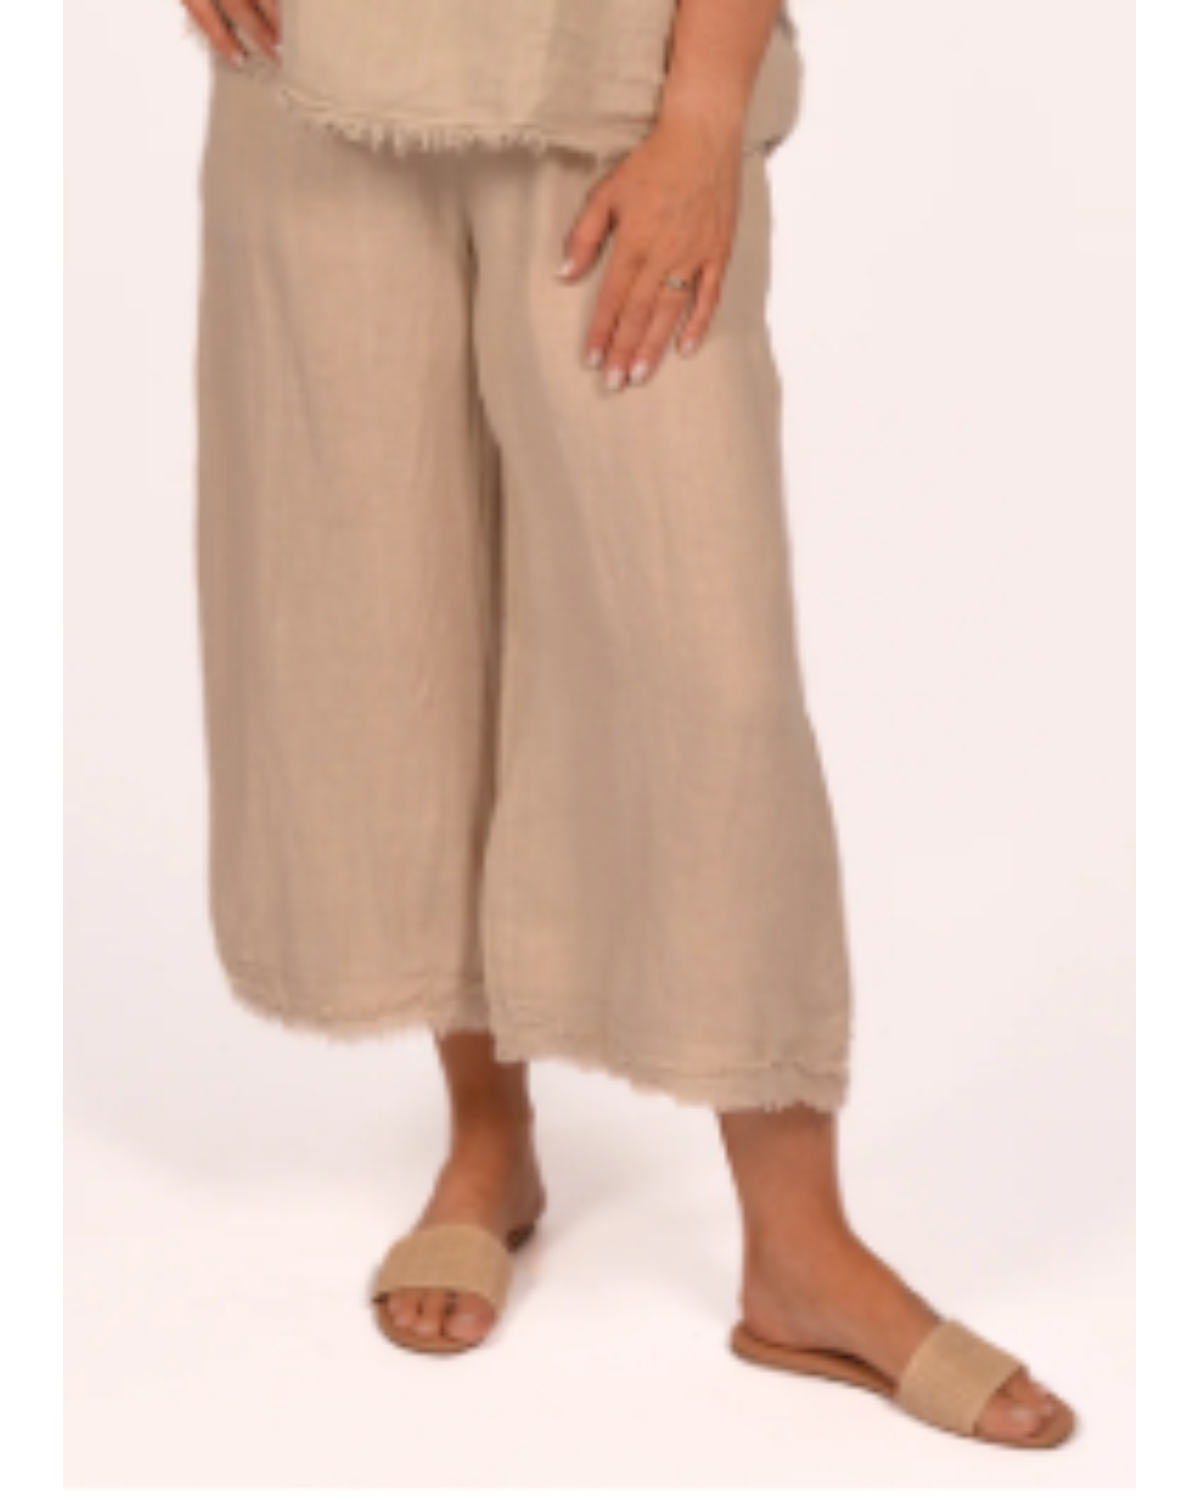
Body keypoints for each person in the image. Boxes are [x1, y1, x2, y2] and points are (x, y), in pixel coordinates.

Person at [186, 0, 1075, 1448]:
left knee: (698, 652)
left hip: (616, 74)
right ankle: (488, 1143)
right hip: (314, 72)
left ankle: (799, 1244)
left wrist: (705, 115)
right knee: (390, 613)